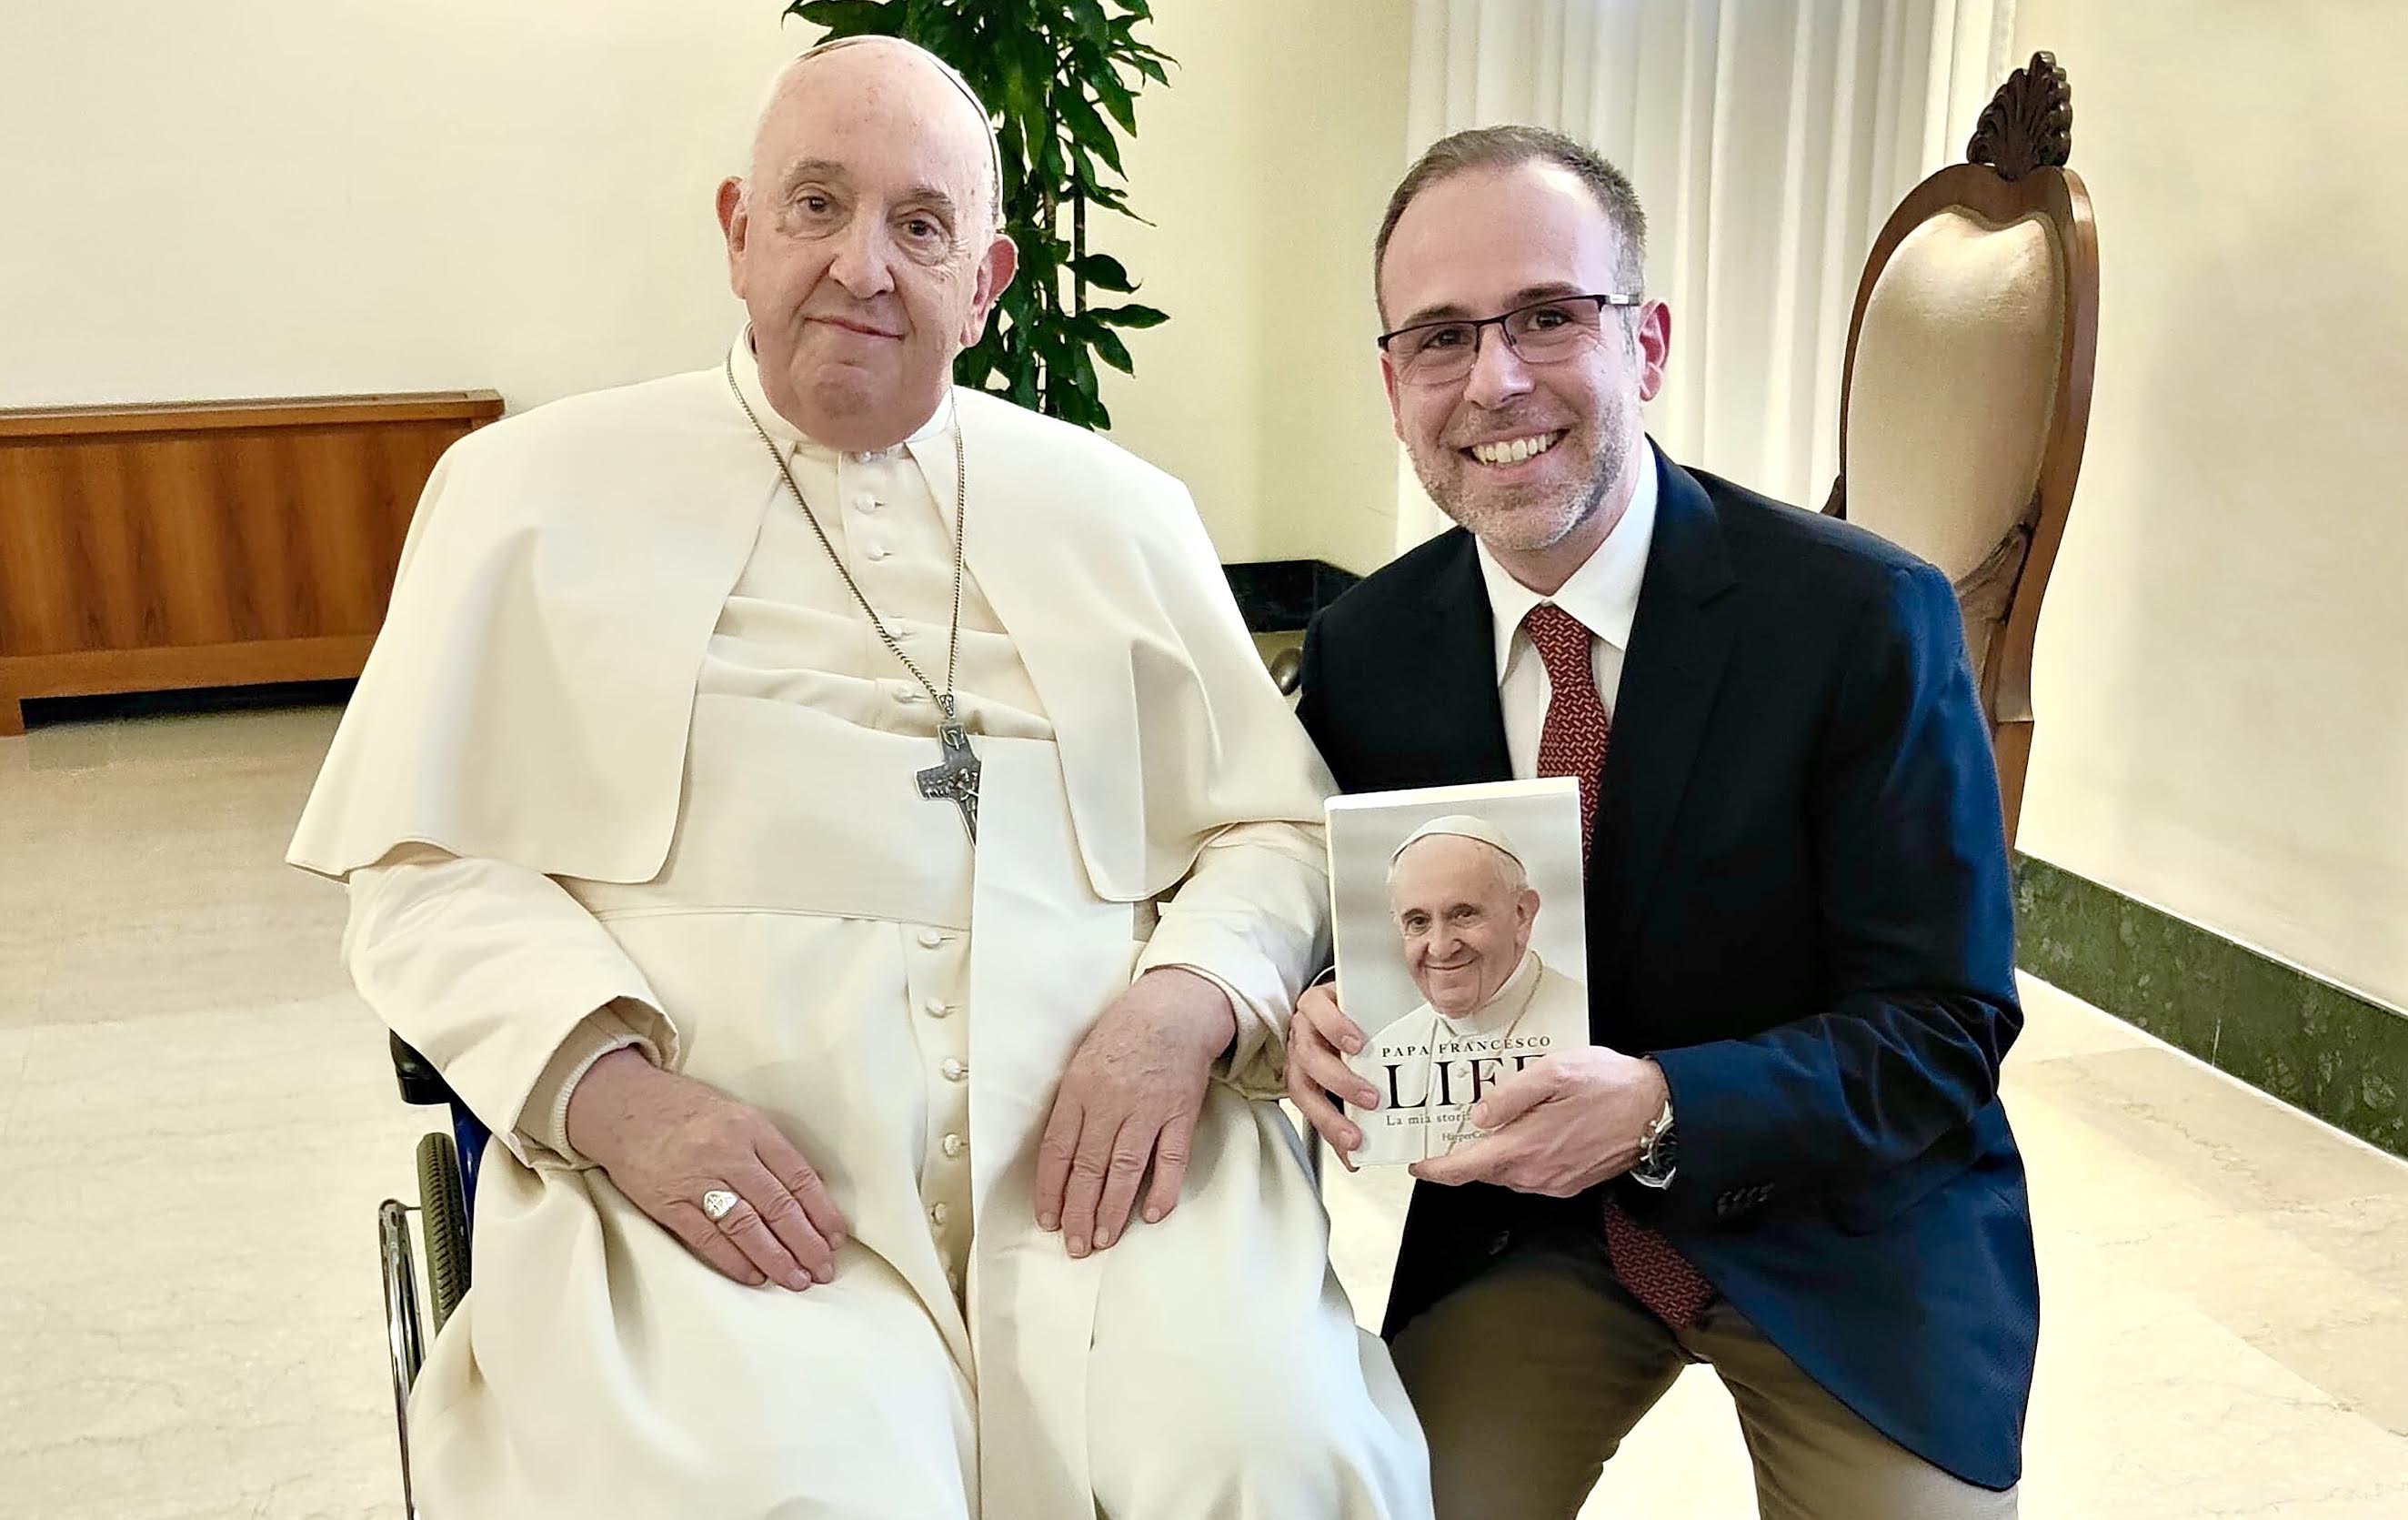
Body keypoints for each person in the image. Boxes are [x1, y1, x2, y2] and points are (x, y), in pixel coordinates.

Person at [292, 37, 1430, 1520]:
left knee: (1277, 1461)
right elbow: (424, 869)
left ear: (989, 276)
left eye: (921, 224)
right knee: (798, 1491)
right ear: (737, 232)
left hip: (1115, 1175)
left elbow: (1270, 823)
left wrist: (1187, 999)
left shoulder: (1120, 511)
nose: (862, 268)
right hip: (734, 1186)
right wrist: (617, 1101)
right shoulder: (527, 492)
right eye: (816, 206)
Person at [1285, 125, 2035, 1519]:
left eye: (1549, 317)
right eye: (1442, 337)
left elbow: (1946, 1026)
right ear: (1394, 385)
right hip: (1529, 1235)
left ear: (1646, 344)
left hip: (1841, 1225)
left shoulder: (1862, 618)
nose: (1495, 378)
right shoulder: (1369, 648)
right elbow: (1353, 931)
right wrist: (1314, 1012)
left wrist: (1664, 1107)